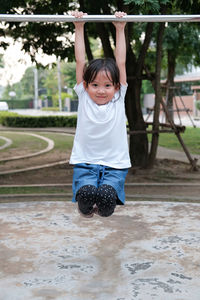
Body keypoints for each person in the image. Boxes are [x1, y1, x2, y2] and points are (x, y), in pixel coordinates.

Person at [69, 11, 131, 218]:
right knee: (86, 193)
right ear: (86, 86)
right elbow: (80, 62)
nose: (101, 90)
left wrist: (120, 29)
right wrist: (79, 27)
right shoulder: (84, 96)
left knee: (105, 195)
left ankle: (105, 208)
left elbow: (120, 62)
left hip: (114, 164)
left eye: (107, 85)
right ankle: (85, 208)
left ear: (116, 87)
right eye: (95, 85)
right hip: (86, 162)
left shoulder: (118, 98)